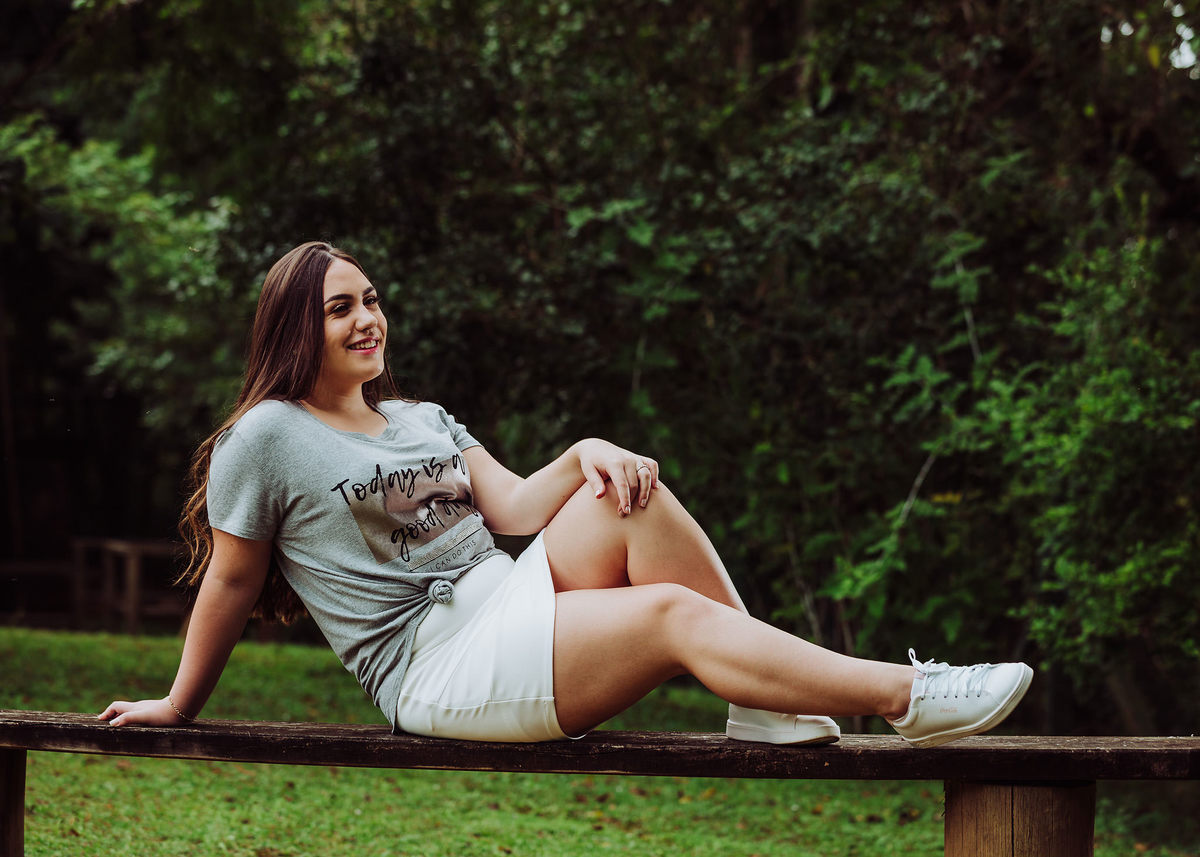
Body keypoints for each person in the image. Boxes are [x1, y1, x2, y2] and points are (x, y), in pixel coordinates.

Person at [100, 240, 1033, 748]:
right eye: (339, 307)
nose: (367, 318)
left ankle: (769, 704)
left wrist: (589, 449)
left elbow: (511, 511)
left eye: (371, 299)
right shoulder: (266, 436)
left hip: (506, 597)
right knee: (667, 614)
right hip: (435, 666)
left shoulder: (420, 416)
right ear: (294, 328)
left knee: (635, 493)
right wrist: (178, 705)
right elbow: (231, 580)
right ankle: (908, 694)